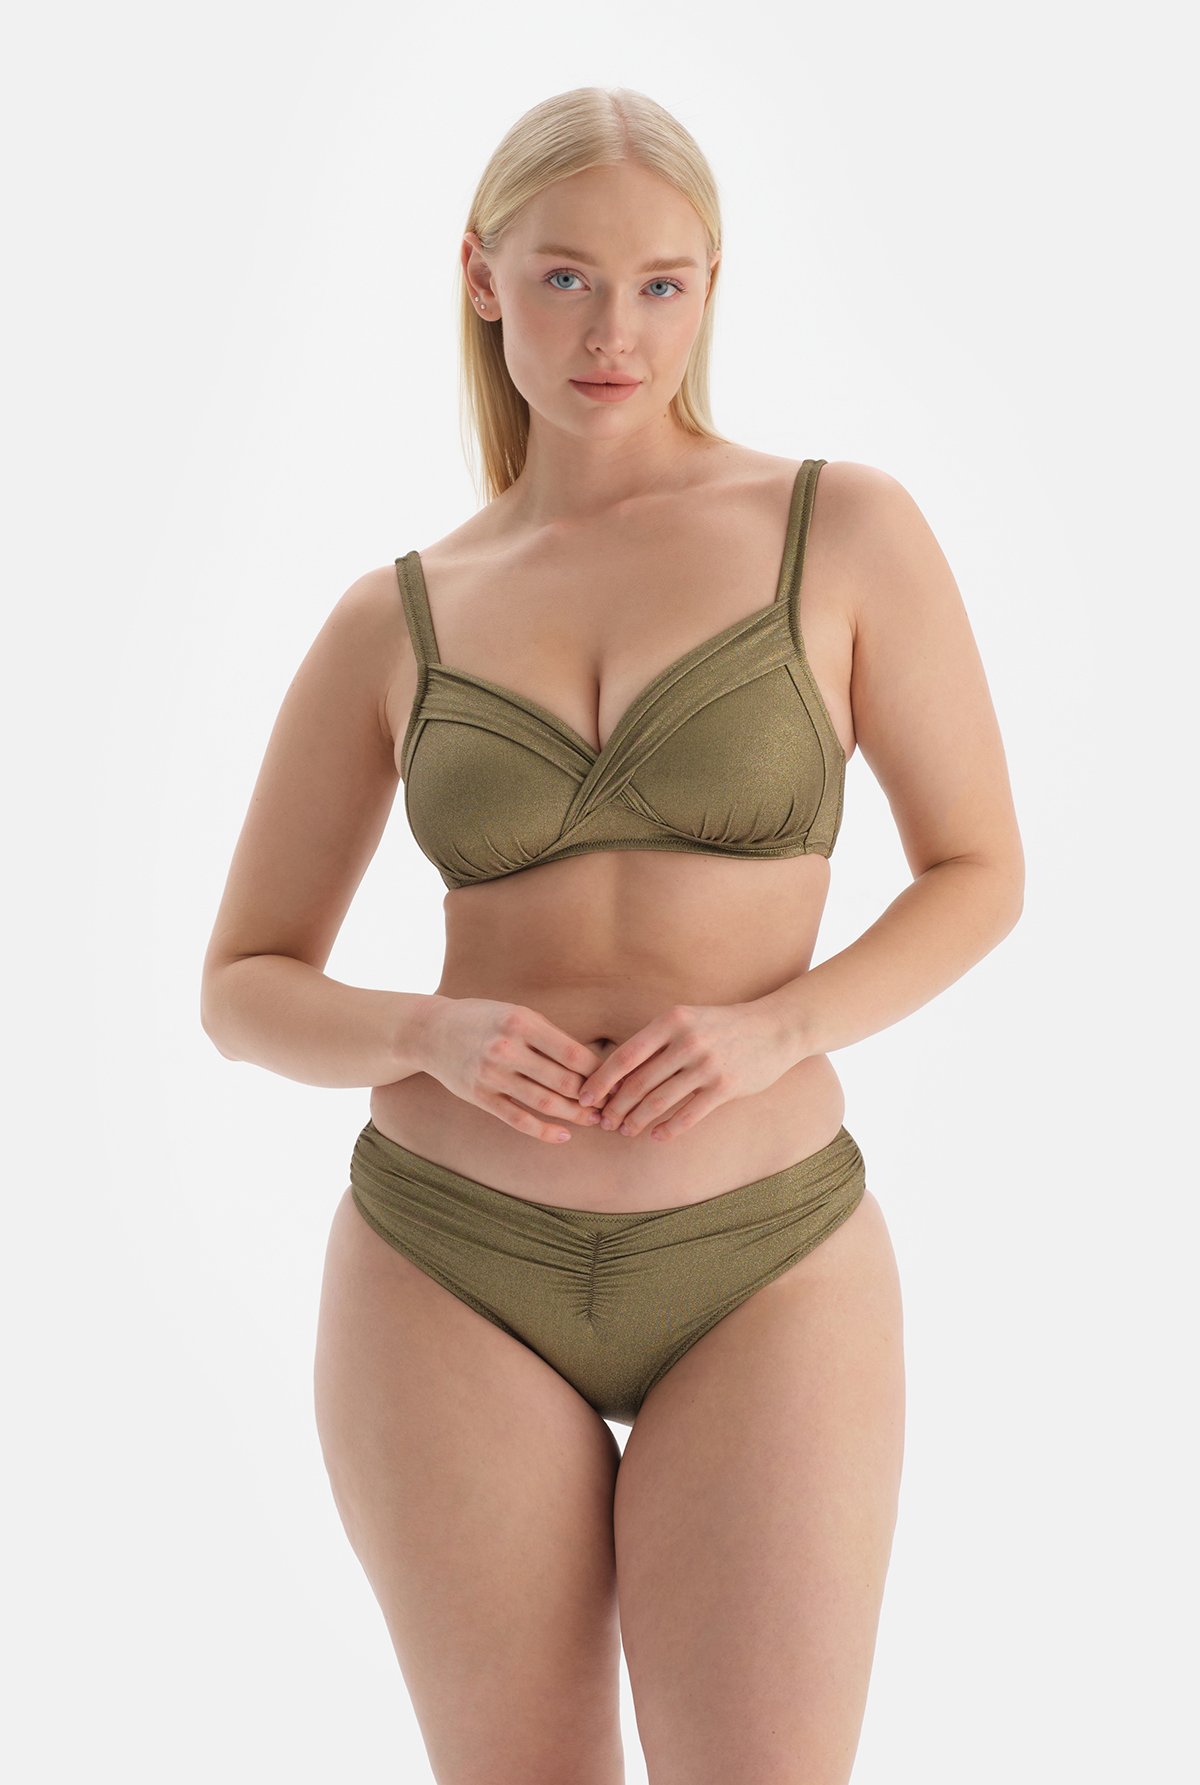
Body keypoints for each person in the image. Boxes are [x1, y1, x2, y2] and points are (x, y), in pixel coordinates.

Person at [201, 86, 1024, 1785]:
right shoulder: (394, 617)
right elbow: (242, 986)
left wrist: (780, 1025)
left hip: (765, 1258)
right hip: (446, 1262)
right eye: (566, 278)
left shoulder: (841, 531)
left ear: (712, 286)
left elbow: (978, 870)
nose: (614, 334)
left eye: (662, 284)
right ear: (482, 277)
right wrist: (424, 1033)